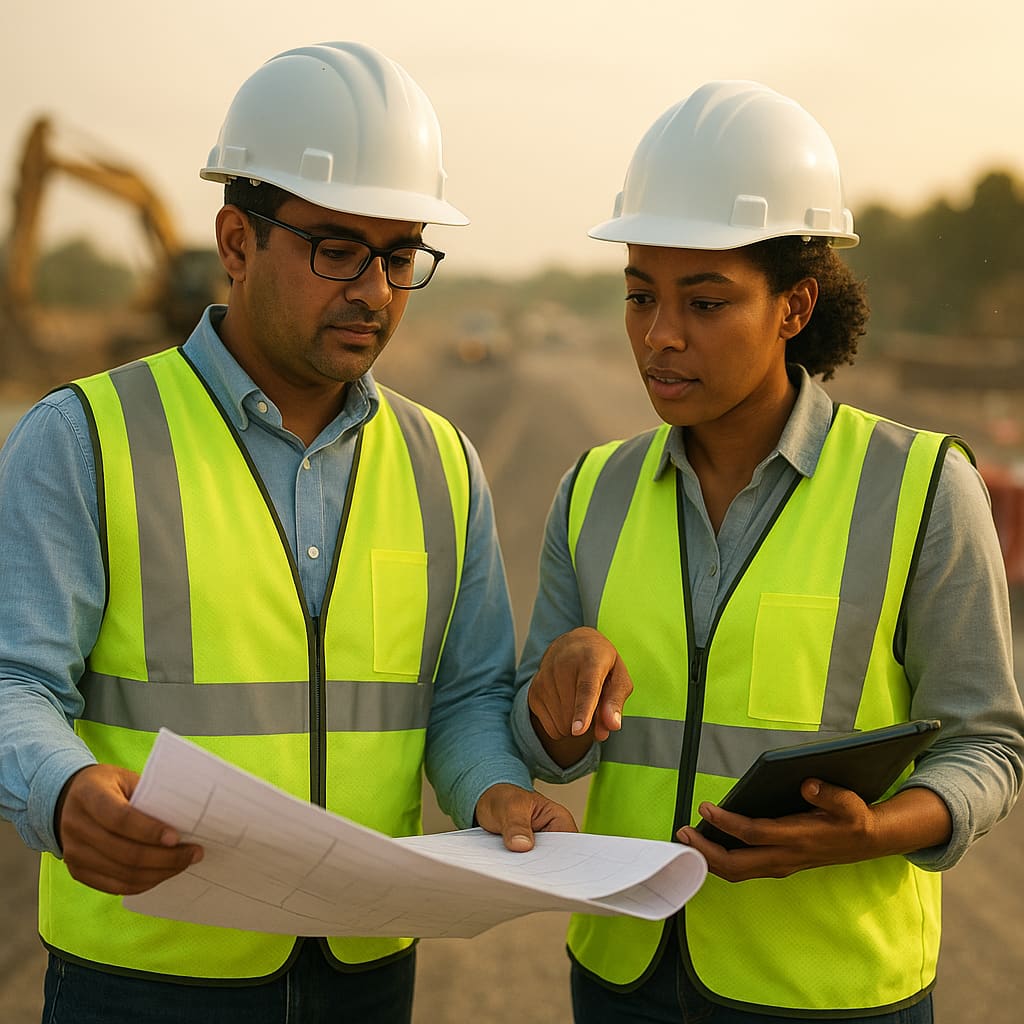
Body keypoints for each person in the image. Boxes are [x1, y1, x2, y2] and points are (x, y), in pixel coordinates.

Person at [0, 41, 576, 1024]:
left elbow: (468, 693)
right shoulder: (84, 438)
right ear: (235, 242)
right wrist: (60, 791)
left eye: (399, 255)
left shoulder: (442, 463)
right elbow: (15, 677)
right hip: (143, 979)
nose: (374, 288)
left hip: (363, 974)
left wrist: (492, 790)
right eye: (336, 247)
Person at [512, 80, 1024, 1022]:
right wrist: (554, 697)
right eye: (640, 296)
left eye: (705, 303)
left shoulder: (919, 488)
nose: (660, 337)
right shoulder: (593, 491)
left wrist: (872, 833)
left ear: (796, 306)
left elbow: (987, 745)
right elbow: (541, 746)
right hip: (625, 976)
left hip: (831, 991)